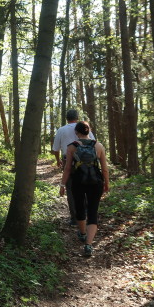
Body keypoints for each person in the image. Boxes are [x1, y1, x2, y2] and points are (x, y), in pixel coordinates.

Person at [60, 121, 109, 256]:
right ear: (89, 131)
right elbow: (104, 169)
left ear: (76, 132)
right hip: (96, 182)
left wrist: (62, 185)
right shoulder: (98, 146)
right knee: (93, 212)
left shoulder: (72, 147)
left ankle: (82, 233)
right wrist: (107, 184)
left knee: (80, 208)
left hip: (78, 182)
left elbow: (68, 168)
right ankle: (88, 245)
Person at [52, 109, 95, 224]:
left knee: (71, 189)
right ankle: (85, 215)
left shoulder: (61, 130)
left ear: (67, 118)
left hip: (69, 162)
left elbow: (55, 149)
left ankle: (75, 218)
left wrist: (58, 160)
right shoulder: (84, 127)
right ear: (77, 117)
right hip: (86, 162)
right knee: (86, 186)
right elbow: (93, 143)